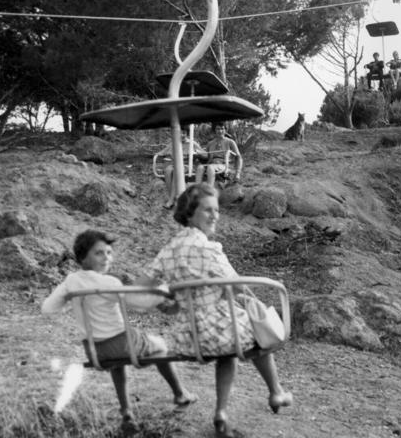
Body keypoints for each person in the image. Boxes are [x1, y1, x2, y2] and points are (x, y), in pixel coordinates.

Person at [141, 183, 292, 438]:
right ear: (189, 213)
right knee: (254, 329)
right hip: (218, 330)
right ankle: (274, 392)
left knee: (231, 343)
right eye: (207, 210)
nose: (215, 215)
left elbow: (142, 287)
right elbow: (238, 287)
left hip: (189, 336)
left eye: (216, 210)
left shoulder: (169, 250)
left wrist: (166, 297)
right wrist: (231, 292)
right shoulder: (211, 250)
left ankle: (223, 413)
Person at [41, 230, 196, 426]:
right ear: (82, 258)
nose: (106, 258)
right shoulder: (109, 283)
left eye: (108, 252)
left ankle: (126, 410)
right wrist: (164, 291)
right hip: (123, 343)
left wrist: (68, 298)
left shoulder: (70, 281)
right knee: (161, 346)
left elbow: (47, 309)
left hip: (95, 351)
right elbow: (139, 303)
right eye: (98, 253)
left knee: (118, 363)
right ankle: (180, 393)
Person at [160, 133, 208, 209]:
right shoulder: (174, 143)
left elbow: (205, 155)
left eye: (184, 133)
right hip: (176, 164)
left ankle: (172, 200)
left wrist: (197, 153)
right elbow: (162, 152)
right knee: (168, 170)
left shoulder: (192, 143)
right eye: (180, 133)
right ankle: (172, 197)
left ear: (187, 134)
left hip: (188, 165)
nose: (182, 135)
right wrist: (161, 154)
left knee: (177, 169)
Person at [195, 123, 242, 187]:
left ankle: (210, 191)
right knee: (200, 168)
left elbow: (239, 157)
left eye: (222, 129)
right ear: (215, 130)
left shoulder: (230, 142)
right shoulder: (210, 143)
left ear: (225, 130)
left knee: (210, 168)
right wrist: (198, 153)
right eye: (218, 129)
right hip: (212, 164)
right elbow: (207, 156)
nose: (220, 131)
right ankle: (197, 190)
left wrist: (238, 173)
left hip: (224, 165)